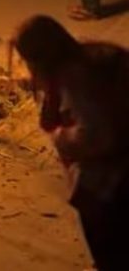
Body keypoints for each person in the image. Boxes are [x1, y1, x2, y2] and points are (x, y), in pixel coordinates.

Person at [11, 15, 129, 271]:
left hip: (109, 184)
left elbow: (96, 134)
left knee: (111, 245)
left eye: (27, 60)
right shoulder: (87, 57)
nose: (26, 67)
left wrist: (59, 136)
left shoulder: (73, 79)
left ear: (40, 57)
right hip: (116, 176)